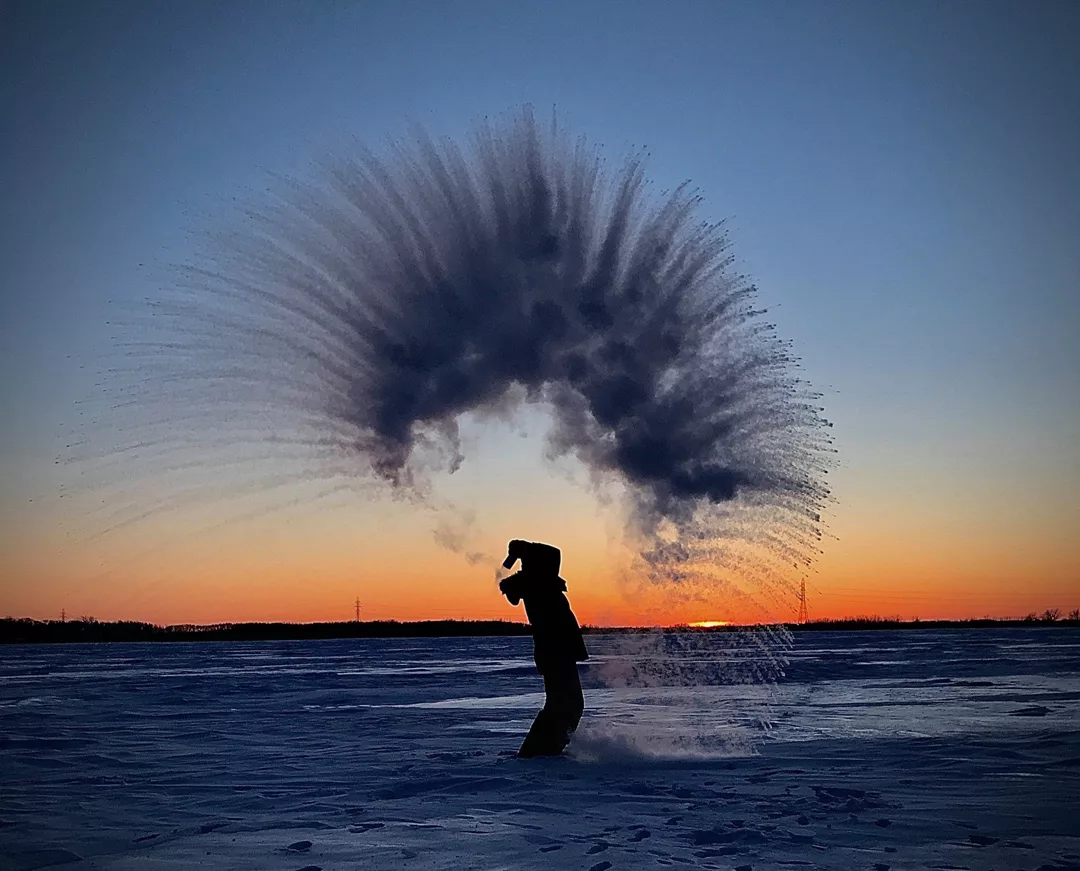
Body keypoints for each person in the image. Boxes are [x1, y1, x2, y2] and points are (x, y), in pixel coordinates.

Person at [498, 539, 588, 757]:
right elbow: (550, 554)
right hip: (555, 652)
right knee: (565, 704)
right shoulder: (540, 585)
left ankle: (546, 750)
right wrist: (524, 551)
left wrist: (521, 552)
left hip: (557, 652)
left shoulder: (541, 585)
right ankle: (538, 752)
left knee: (567, 704)